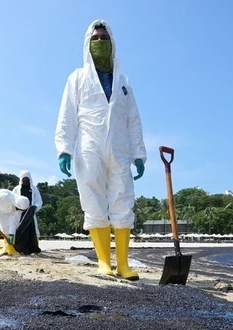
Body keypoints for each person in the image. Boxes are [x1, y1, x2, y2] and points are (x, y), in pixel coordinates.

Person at [55, 20, 146, 280]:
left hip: (120, 149)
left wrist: (139, 153)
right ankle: (104, 262)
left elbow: (133, 120)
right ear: (87, 43)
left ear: (112, 42)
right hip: (88, 146)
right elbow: (67, 115)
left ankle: (124, 265)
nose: (100, 42)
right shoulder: (77, 78)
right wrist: (64, 149)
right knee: (93, 200)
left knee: (123, 200)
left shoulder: (124, 82)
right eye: (95, 38)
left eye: (104, 38)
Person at [0, 189, 30, 256]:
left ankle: (9, 249)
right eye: (18, 208)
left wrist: (11, 235)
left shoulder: (17, 209)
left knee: (6, 228)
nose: (18, 210)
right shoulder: (5, 196)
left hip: (5, 212)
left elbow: (13, 223)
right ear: (17, 203)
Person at [12, 170, 43, 239]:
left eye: (27, 179)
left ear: (30, 179)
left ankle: (33, 246)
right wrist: (16, 207)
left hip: (30, 214)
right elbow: (12, 200)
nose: (26, 180)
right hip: (18, 213)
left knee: (33, 230)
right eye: (24, 179)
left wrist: (34, 207)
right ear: (21, 179)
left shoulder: (34, 189)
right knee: (17, 229)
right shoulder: (16, 189)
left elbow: (39, 201)